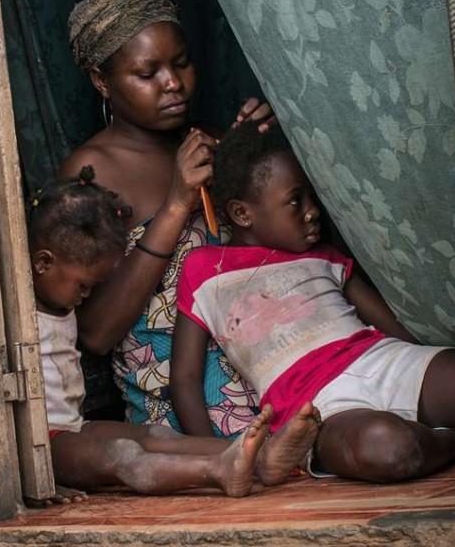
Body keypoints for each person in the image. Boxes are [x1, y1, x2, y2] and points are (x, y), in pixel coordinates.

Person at [171, 121, 455, 482]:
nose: (312, 211)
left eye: (312, 196)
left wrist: (441, 365)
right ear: (242, 214)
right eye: (295, 201)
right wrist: (219, 459)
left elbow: (397, 330)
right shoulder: (204, 270)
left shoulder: (324, 255)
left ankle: (448, 428)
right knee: (390, 450)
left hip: (382, 360)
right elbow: (184, 377)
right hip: (316, 406)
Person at [28, 166, 321, 500]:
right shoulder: (16, 317)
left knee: (156, 435)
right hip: (44, 445)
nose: (86, 296)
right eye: (84, 286)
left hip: (72, 432)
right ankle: (218, 471)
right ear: (42, 263)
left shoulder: (60, 299)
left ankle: (257, 456)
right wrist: (34, 480)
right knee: (124, 456)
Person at [60, 0, 273, 438]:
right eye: (146, 72)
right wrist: (178, 202)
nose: (173, 83)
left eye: (180, 63)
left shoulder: (209, 140)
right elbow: (96, 333)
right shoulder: (90, 173)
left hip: (267, 361)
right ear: (102, 81)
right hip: (180, 406)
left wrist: (256, 160)